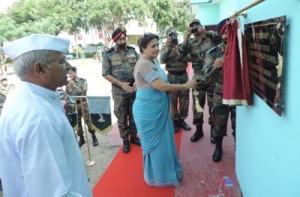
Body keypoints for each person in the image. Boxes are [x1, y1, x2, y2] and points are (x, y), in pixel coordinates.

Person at [0, 34, 92, 197]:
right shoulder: (38, 119)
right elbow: (55, 194)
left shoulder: (24, 97)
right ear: (40, 69)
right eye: (61, 61)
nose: (69, 67)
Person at [133, 33, 196, 187]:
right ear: (143, 48)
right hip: (149, 112)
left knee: (162, 145)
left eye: (157, 45)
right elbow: (161, 86)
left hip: (156, 109)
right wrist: (185, 86)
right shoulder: (145, 64)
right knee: (157, 147)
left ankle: (163, 173)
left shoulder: (150, 60)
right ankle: (159, 176)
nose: (157, 48)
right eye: (153, 46)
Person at [179, 18, 221, 143]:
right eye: (192, 27)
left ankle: (214, 131)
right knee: (198, 106)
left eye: (197, 26)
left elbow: (220, 38)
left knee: (213, 106)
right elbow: (181, 54)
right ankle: (199, 130)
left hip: (213, 77)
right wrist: (185, 38)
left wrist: (205, 31)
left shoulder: (211, 37)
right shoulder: (190, 43)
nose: (195, 28)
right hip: (198, 79)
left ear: (201, 26)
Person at [102, 27, 141, 153]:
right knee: (122, 116)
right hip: (119, 91)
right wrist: (121, 84)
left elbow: (139, 67)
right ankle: (125, 140)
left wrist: (136, 82)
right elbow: (106, 74)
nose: (123, 41)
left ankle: (134, 136)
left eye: (124, 38)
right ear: (115, 40)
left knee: (134, 114)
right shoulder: (109, 54)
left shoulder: (133, 51)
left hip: (133, 88)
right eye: (120, 39)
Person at [204, 18, 236, 162]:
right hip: (220, 93)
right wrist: (214, 67)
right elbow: (206, 72)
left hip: (238, 95)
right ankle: (218, 147)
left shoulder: (241, 49)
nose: (227, 36)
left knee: (239, 124)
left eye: (229, 32)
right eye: (224, 33)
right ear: (220, 35)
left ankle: (239, 148)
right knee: (219, 122)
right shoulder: (213, 53)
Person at [160, 27, 191, 133]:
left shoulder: (182, 46)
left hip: (183, 76)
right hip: (172, 77)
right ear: (167, 37)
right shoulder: (165, 47)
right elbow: (162, 60)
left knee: (184, 100)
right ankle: (175, 121)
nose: (173, 37)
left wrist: (181, 55)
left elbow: (189, 57)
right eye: (170, 35)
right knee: (172, 101)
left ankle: (182, 120)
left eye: (174, 35)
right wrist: (169, 48)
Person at [66, 66, 99, 147]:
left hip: (82, 104)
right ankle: (81, 138)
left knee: (88, 121)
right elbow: (67, 94)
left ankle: (93, 136)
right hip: (74, 106)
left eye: (71, 73)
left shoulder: (82, 81)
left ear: (75, 72)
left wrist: (74, 86)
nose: (70, 75)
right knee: (78, 123)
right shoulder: (68, 83)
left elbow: (83, 92)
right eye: (69, 74)